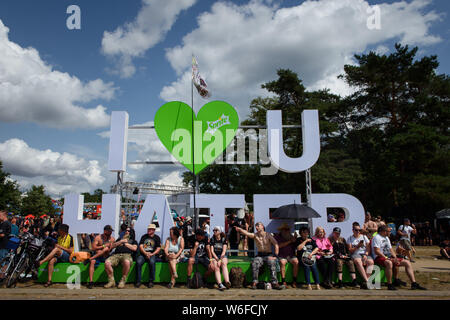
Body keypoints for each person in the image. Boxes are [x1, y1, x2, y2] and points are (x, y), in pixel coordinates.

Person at [372, 225, 426, 290]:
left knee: (407, 262)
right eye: (389, 231)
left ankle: (413, 283)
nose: (390, 233)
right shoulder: (377, 238)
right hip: (379, 257)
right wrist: (387, 258)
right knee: (389, 263)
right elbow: (377, 251)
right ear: (384, 231)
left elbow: (391, 249)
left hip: (389, 256)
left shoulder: (386, 238)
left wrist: (395, 258)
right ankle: (390, 284)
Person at [236, 222, 284, 290]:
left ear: (262, 226)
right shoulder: (255, 235)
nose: (256, 227)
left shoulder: (268, 235)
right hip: (260, 255)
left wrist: (275, 256)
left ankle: (274, 283)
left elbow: (276, 244)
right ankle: (255, 282)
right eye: (256, 226)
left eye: (258, 225)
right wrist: (240, 229)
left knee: (272, 262)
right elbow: (246, 233)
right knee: (255, 263)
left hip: (268, 254)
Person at [347, 222, 373, 289]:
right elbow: (350, 250)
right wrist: (357, 246)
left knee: (371, 262)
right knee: (358, 261)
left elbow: (368, 248)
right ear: (353, 230)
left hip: (364, 254)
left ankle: (365, 281)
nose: (358, 231)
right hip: (355, 254)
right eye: (356, 230)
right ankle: (367, 281)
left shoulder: (364, 237)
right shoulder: (350, 238)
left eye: (359, 230)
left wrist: (365, 254)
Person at [136, 224, 161, 288]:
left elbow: (158, 248)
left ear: (153, 230)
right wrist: (145, 253)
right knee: (138, 262)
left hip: (152, 254)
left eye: (150, 229)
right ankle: (138, 281)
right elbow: (141, 246)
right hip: (144, 254)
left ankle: (151, 281)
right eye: (148, 229)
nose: (148, 230)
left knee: (152, 262)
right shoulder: (144, 237)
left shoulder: (157, 238)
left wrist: (152, 254)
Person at [274, 223, 299, 288]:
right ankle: (283, 281)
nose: (287, 231)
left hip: (291, 255)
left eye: (288, 229)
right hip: (282, 255)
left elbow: (296, 247)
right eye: (285, 229)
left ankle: (294, 281)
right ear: (281, 230)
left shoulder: (291, 236)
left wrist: (296, 239)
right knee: (282, 262)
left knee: (296, 262)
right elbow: (279, 246)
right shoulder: (277, 237)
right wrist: (290, 241)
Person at [209, 226, 231, 290]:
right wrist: (217, 259)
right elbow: (212, 251)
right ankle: (220, 284)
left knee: (224, 263)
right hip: (215, 256)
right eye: (214, 230)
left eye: (216, 230)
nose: (214, 231)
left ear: (220, 231)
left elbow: (224, 251)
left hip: (222, 255)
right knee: (216, 266)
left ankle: (227, 282)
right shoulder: (212, 239)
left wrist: (220, 260)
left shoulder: (224, 239)